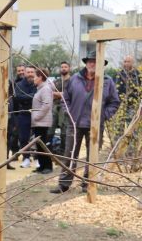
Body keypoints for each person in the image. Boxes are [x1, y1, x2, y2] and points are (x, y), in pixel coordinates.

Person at [51, 53, 120, 193]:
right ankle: (64, 184)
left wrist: (103, 116)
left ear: (101, 64)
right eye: (90, 61)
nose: (92, 64)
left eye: (95, 62)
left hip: (95, 125)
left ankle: (87, 183)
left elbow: (114, 102)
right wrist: (68, 112)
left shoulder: (107, 81)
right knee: (69, 154)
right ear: (86, 63)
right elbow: (66, 98)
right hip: (74, 123)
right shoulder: (75, 79)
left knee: (92, 156)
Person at [30, 67, 55, 174]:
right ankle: (42, 166)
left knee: (43, 145)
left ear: (40, 77)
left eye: (35, 76)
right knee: (39, 145)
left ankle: (48, 166)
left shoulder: (45, 89)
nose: (33, 78)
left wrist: (36, 117)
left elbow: (46, 105)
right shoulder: (40, 88)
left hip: (42, 122)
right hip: (39, 122)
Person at [12, 65, 36, 167]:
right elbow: (17, 98)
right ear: (25, 73)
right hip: (23, 113)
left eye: (32, 72)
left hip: (36, 113)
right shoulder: (18, 84)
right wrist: (32, 96)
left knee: (37, 136)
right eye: (28, 72)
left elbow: (39, 96)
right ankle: (26, 158)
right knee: (23, 137)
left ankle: (38, 158)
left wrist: (26, 97)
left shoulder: (37, 83)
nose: (30, 74)